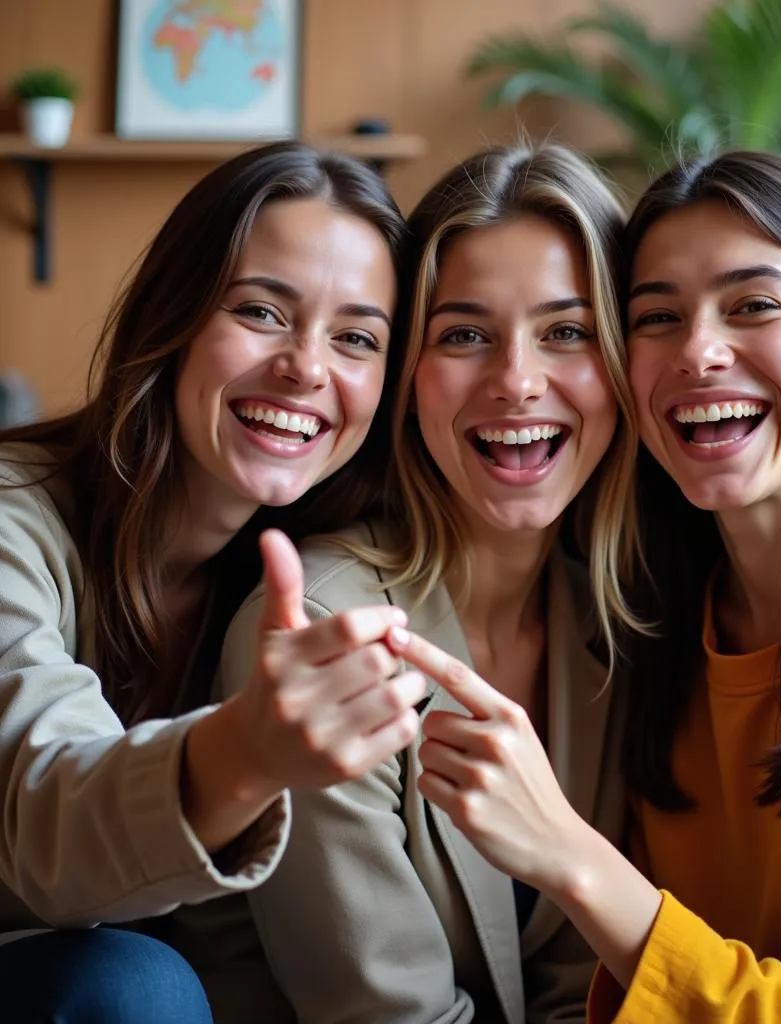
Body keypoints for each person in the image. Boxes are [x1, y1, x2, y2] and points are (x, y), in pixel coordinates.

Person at [389, 150, 781, 1021]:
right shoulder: (653, 614)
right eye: (657, 317)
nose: (698, 352)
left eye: (753, 306)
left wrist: (568, 853)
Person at [213, 140, 641, 1023]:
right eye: (465, 335)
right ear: (407, 376)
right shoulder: (324, 627)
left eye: (565, 331)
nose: (517, 381)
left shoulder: (613, 630)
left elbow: (581, 991)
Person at [0, 141, 426, 1023]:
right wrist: (246, 752)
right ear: (174, 314)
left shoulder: (319, 579)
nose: (308, 366)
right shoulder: (14, 516)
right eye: (262, 311)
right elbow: (41, 817)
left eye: (356, 338)